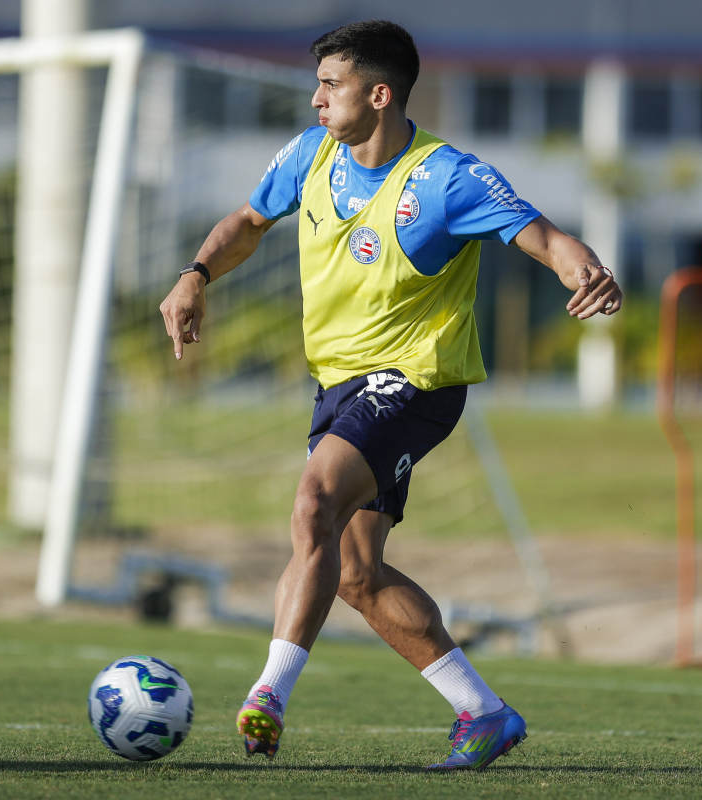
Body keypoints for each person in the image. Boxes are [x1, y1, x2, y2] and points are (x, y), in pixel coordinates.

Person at [159, 19, 622, 770]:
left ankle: (267, 695)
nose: (315, 100)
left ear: (379, 95)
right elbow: (247, 221)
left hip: (417, 381)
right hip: (338, 384)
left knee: (313, 501)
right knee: (353, 573)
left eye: (330, 85)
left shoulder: (447, 177)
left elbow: (542, 236)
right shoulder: (311, 156)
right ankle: (484, 713)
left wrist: (586, 271)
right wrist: (195, 275)